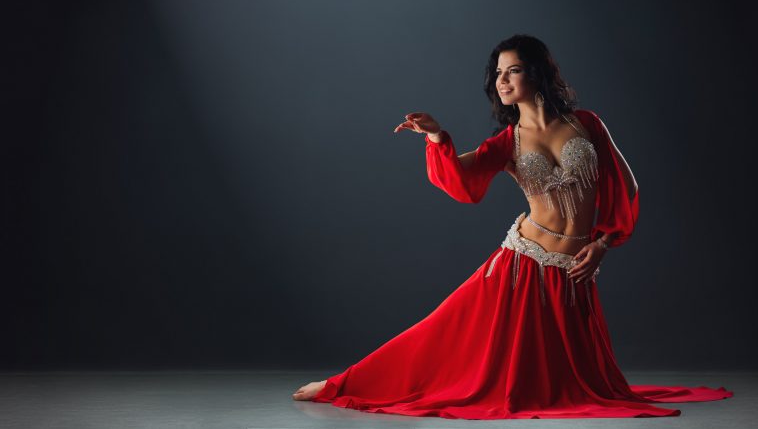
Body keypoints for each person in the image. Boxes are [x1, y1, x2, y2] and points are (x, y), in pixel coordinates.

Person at [292, 34, 733, 419]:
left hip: (574, 269)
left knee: (567, 382)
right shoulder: (509, 142)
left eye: (514, 70)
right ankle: (344, 385)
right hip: (522, 265)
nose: (502, 80)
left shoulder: (587, 124)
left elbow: (627, 186)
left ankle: (347, 384)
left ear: (538, 74)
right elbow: (461, 180)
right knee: (442, 335)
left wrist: (603, 243)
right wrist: (436, 138)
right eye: (498, 73)